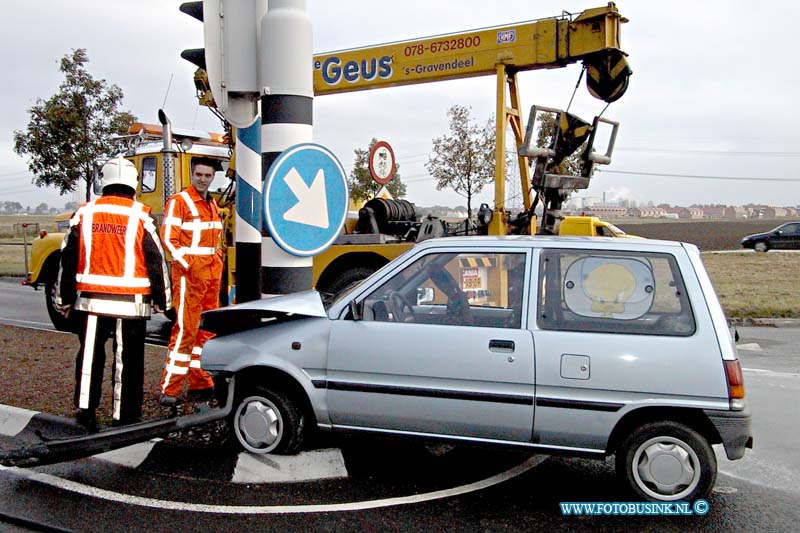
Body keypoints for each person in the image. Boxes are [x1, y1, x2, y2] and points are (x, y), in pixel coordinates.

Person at [58, 156, 171, 429]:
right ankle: (124, 416)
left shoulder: (84, 214)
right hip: (130, 306)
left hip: (91, 301)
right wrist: (162, 299)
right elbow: (157, 260)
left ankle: (85, 410)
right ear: (133, 184)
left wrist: (64, 299)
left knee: (89, 357)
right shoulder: (141, 216)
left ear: (104, 181)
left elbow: (68, 258)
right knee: (128, 362)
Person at [158, 157, 224, 406]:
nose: (203, 179)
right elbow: (168, 239)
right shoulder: (180, 202)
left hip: (210, 276)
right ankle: (170, 389)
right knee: (185, 331)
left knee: (205, 333)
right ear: (191, 174)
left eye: (207, 176)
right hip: (190, 277)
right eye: (199, 175)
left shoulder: (212, 203)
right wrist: (188, 265)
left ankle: (200, 383)